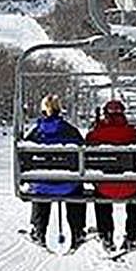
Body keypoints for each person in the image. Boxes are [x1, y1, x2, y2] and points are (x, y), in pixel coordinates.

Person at [25, 94, 87, 247]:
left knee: (41, 185)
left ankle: (38, 230)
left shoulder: (36, 133)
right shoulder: (71, 131)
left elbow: (25, 157)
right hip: (68, 185)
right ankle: (78, 231)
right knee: (75, 186)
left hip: (42, 186)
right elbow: (83, 154)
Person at [85, 99, 136, 252]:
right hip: (130, 186)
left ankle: (106, 234)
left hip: (104, 187)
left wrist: (98, 127)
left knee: (100, 193)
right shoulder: (133, 133)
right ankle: (134, 233)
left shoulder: (95, 134)